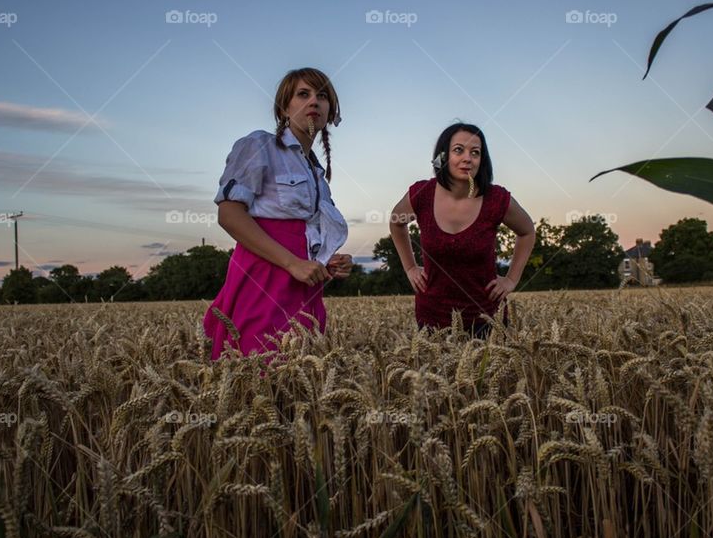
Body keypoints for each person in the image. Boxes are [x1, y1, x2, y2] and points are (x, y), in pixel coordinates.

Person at [203, 68, 353, 360]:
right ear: (285, 108)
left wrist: (326, 263)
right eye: (303, 94)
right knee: (259, 366)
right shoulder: (260, 145)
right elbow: (230, 214)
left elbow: (304, 234)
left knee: (299, 372)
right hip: (264, 277)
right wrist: (292, 263)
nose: (314, 102)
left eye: (322, 96)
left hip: (304, 284)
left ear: (330, 111)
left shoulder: (317, 173)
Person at [388, 123, 535, 338]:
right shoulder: (422, 194)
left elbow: (527, 231)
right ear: (443, 155)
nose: (468, 158)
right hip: (432, 319)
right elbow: (396, 222)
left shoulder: (496, 199)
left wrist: (511, 279)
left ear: (482, 160)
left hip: (486, 318)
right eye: (458, 150)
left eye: (475, 152)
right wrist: (410, 267)